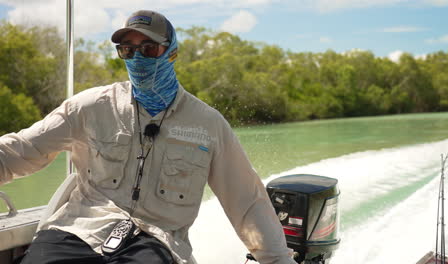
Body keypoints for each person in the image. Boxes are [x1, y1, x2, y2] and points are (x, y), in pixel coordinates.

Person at [0, 10, 296, 264]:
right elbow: (23, 151)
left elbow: (246, 200)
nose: (138, 57)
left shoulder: (208, 124)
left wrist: (278, 259)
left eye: (149, 48)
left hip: (156, 239)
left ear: (172, 52)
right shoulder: (90, 106)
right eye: (128, 49)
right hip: (79, 227)